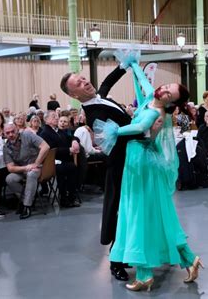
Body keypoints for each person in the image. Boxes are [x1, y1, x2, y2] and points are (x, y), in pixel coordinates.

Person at [94, 56, 202, 292]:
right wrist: (133, 64)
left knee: (138, 217)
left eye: (168, 93)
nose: (162, 90)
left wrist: (115, 131)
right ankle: (189, 259)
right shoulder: (150, 101)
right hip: (137, 162)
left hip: (141, 164)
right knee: (149, 216)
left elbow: (139, 128)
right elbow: (143, 80)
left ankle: (144, 275)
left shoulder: (157, 113)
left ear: (170, 102)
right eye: (165, 87)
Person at [60, 59, 133, 280]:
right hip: (121, 165)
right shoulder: (94, 114)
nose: (85, 82)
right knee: (119, 211)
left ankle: (126, 252)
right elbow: (120, 137)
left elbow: (108, 82)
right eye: (79, 84)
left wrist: (124, 64)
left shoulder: (98, 98)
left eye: (83, 78)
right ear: (75, 95)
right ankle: (115, 260)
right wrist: (146, 125)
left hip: (130, 160)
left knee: (130, 210)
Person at [3, 123, 50, 219]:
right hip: (23, 168)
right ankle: (28, 197)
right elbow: (10, 168)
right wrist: (26, 168)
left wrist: (36, 163)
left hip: (38, 167)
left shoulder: (27, 135)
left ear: (17, 130)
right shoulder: (6, 147)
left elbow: (45, 146)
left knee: (31, 174)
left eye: (13, 131)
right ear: (4, 134)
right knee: (9, 179)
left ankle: (27, 206)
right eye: (8, 133)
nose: (11, 135)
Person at [39, 111, 81, 208]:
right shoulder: (45, 133)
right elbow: (51, 150)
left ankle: (70, 196)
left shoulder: (57, 130)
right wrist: (68, 150)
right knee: (68, 168)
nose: (57, 118)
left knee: (72, 167)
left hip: (63, 159)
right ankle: (65, 198)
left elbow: (71, 137)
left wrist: (75, 141)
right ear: (46, 120)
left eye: (56, 116)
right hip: (51, 162)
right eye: (54, 117)